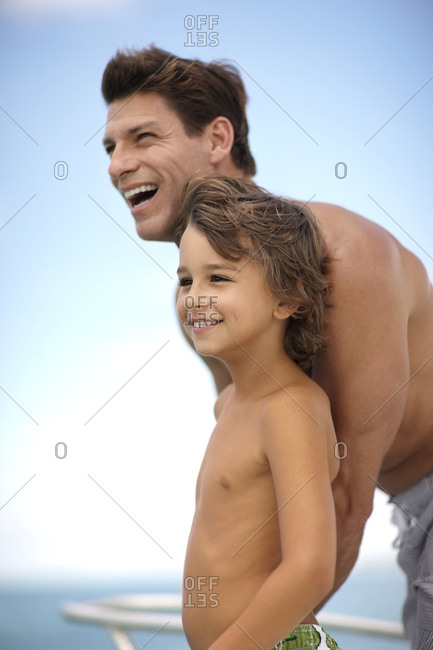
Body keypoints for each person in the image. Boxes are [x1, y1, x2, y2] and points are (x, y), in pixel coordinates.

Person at [101, 46, 433, 648]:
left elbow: (342, 503)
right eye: (109, 148)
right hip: (402, 502)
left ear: (217, 138)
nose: (118, 164)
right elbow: (250, 463)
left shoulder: (345, 261)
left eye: (141, 138)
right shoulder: (208, 314)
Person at [176, 174, 341, 650]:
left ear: (287, 297)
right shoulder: (227, 404)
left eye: (219, 277)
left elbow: (310, 568)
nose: (195, 297)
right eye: (186, 279)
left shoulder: (290, 408)